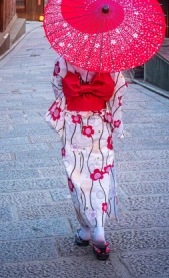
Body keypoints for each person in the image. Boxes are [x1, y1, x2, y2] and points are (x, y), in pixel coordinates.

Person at [46, 55, 127, 261]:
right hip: (99, 125)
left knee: (78, 178)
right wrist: (116, 125)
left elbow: (58, 89)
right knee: (100, 175)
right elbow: (117, 92)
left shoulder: (63, 60)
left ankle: (85, 230)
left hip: (74, 126)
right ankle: (99, 228)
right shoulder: (109, 60)